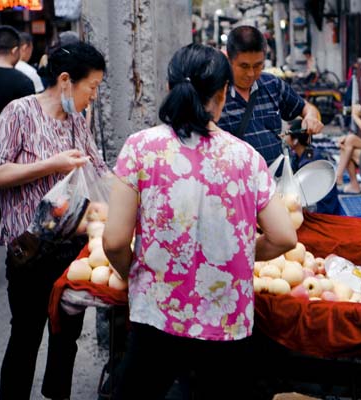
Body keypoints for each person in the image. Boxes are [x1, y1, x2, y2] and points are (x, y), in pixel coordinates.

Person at [102, 43, 297, 399]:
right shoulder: (246, 158)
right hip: (226, 323)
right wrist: (241, 251)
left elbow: (114, 241)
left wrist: (135, 274)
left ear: (169, 88)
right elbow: (285, 237)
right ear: (223, 95)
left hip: (156, 313)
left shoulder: (140, 148)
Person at [0, 41, 108, 400]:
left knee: (65, 340)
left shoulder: (77, 123)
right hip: (30, 252)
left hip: (74, 254)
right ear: (66, 80)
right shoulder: (19, 112)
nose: (93, 97)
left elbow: (99, 170)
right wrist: (52, 165)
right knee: (25, 336)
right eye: (92, 87)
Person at [217, 25, 324, 166]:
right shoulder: (217, 93)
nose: (251, 73)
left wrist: (311, 116)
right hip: (237, 183)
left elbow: (305, 107)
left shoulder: (272, 84)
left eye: (257, 65)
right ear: (229, 60)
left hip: (277, 181)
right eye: (244, 66)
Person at [0, 25, 35, 291]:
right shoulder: (22, 83)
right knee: (1, 208)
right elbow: (30, 126)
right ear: (15, 50)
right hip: (9, 158)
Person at [284, 119, 341, 215]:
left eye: (287, 133)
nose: (284, 136)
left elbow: (306, 199)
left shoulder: (309, 163)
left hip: (323, 211)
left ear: (295, 140)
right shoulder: (301, 155)